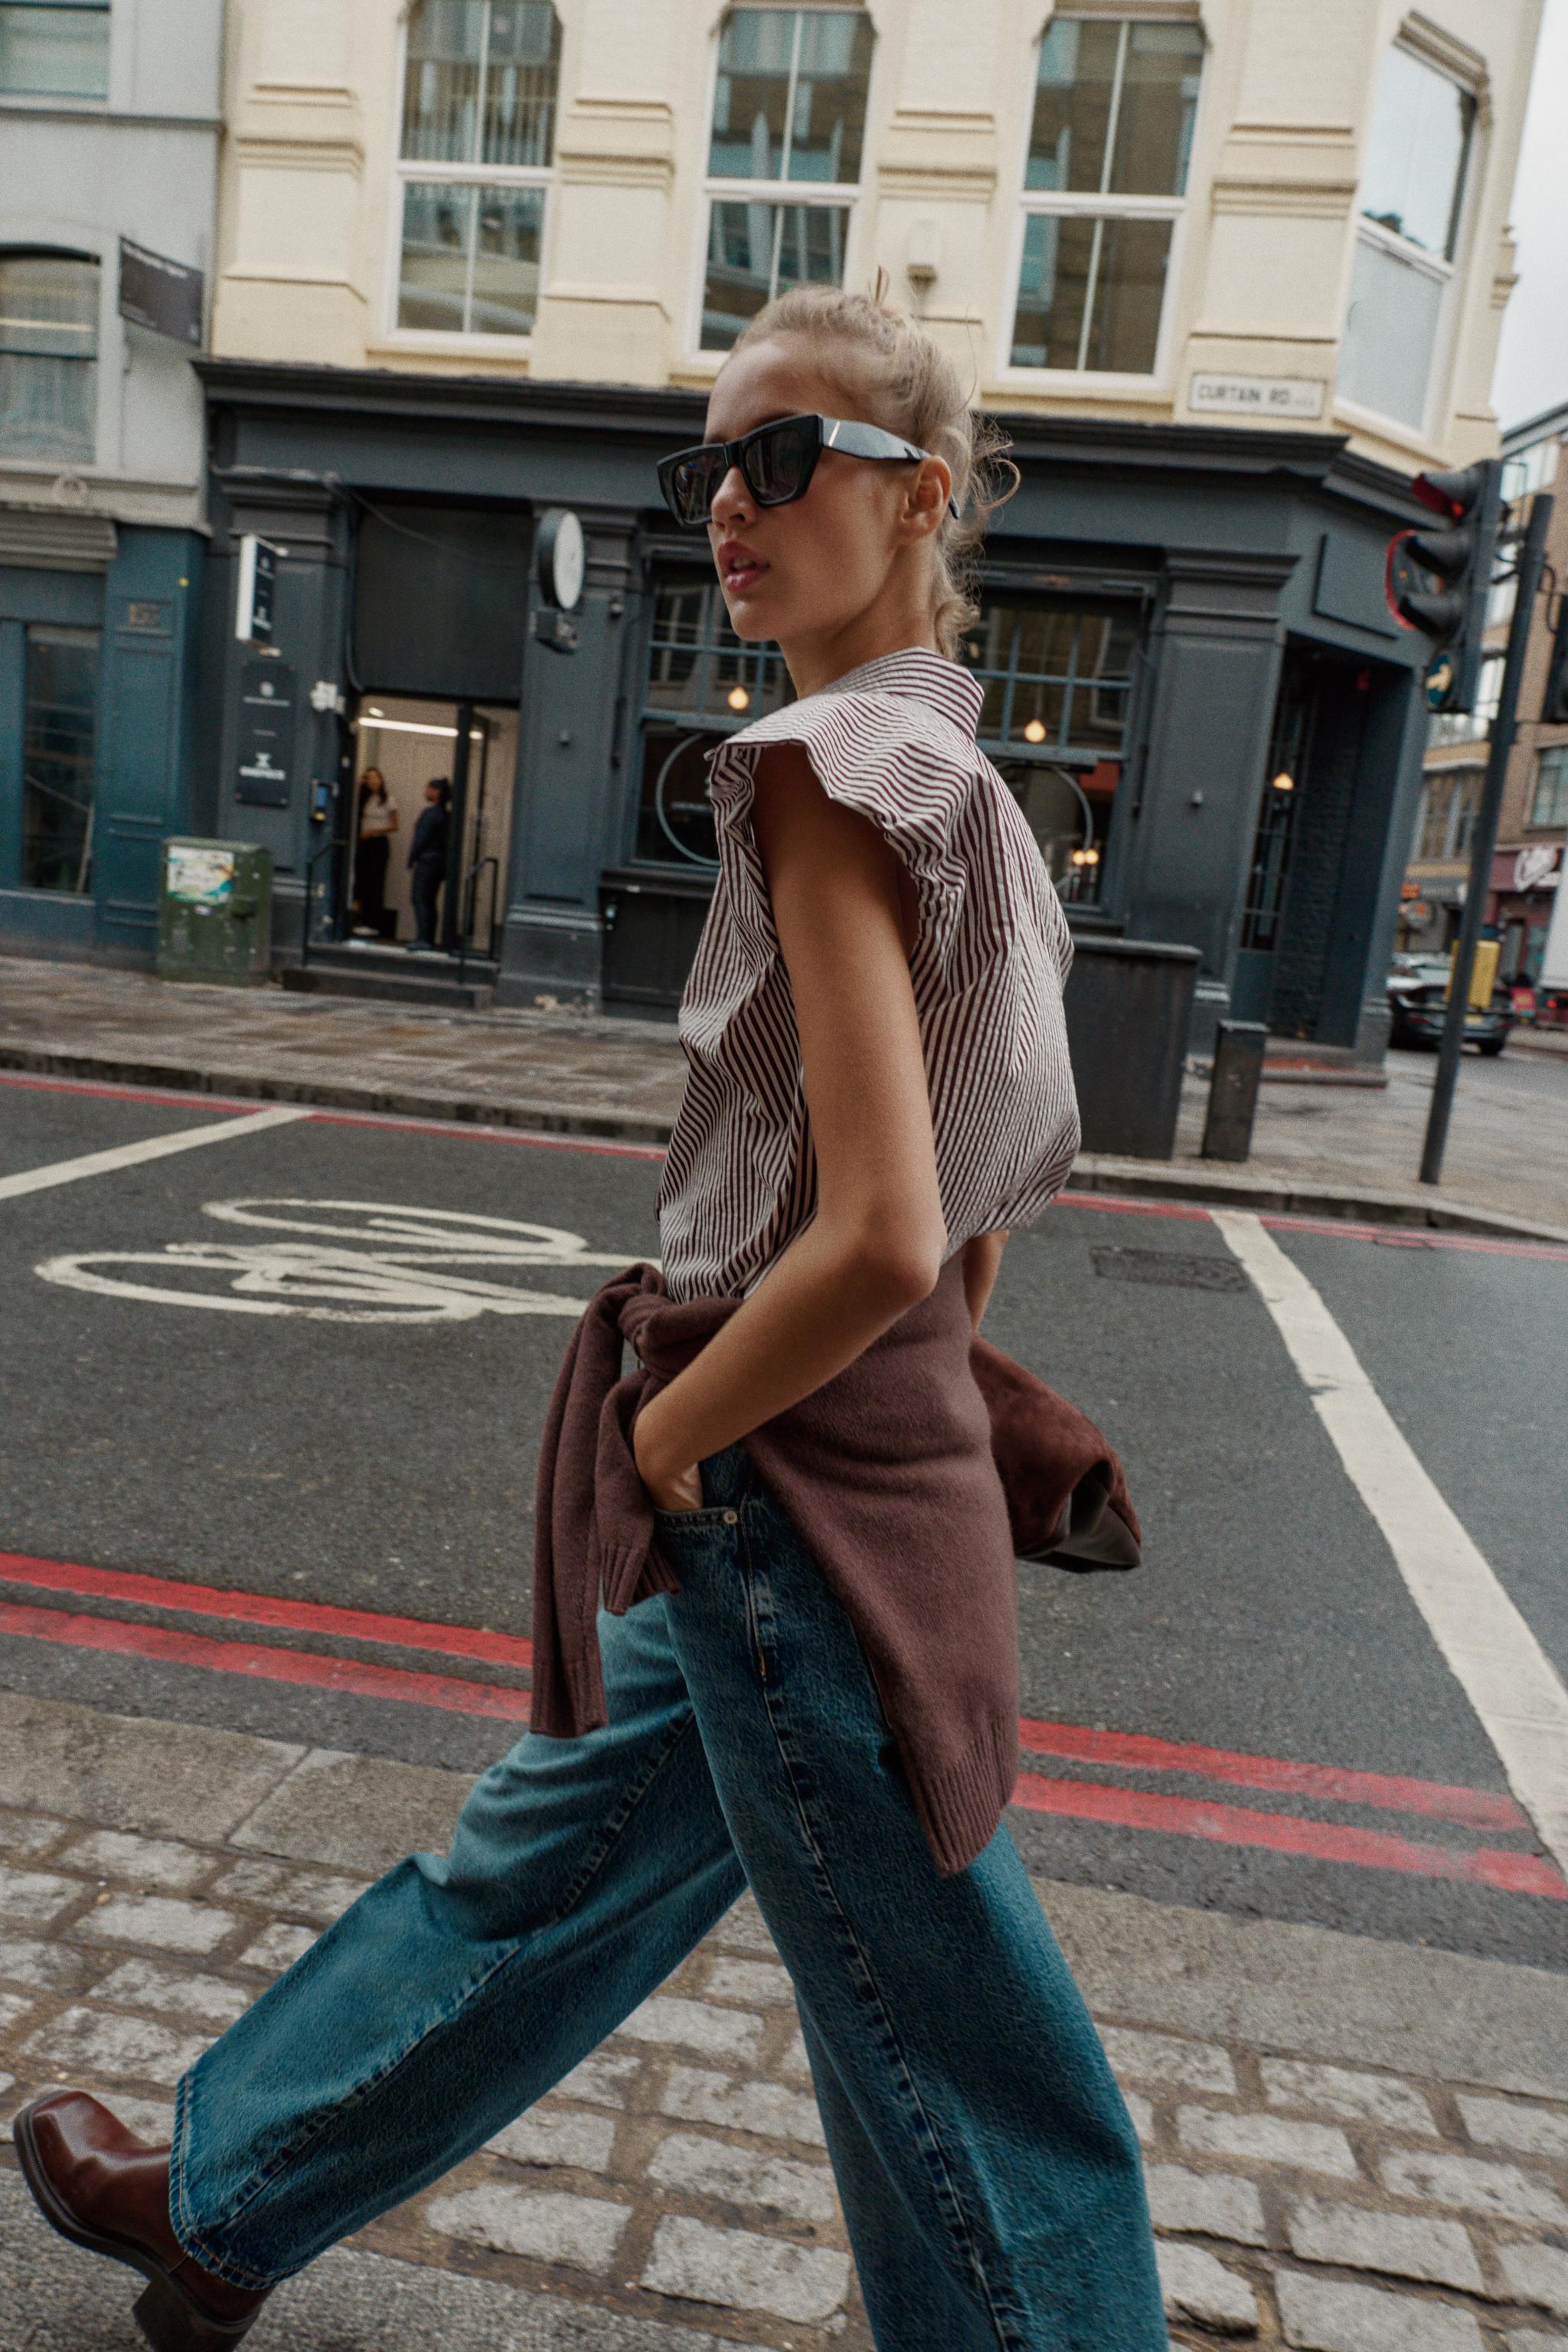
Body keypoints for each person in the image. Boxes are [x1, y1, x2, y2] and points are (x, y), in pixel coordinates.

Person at [14, 270, 1168, 2352]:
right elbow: (981, 1221)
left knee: (955, 2059)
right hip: (857, 1470)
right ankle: (223, 2199)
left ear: (921, 500)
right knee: (544, 1880)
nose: (730, 500)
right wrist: (885, 1407)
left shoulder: (823, 769)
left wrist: (669, 1438)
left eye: (787, 455)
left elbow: (893, 1230)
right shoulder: (977, 793)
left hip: (782, 1491)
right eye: (707, 463)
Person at [351, 767, 397, 936]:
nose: (373, 781)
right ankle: (360, 918)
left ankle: (373, 922)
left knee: (376, 882)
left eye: (375, 777)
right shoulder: (365, 799)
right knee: (362, 879)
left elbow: (394, 825)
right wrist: (360, 783)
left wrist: (374, 830)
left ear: (381, 779)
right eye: (369, 778)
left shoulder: (388, 799)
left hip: (378, 842)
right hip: (365, 844)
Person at [407, 776, 450, 949]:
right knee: (430, 901)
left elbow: (421, 839)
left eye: (428, 788)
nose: (425, 792)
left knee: (420, 899)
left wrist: (411, 859)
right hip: (439, 864)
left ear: (436, 792)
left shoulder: (430, 814)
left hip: (427, 862)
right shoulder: (446, 815)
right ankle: (428, 938)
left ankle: (423, 939)